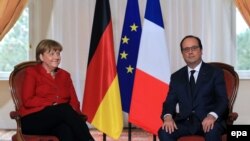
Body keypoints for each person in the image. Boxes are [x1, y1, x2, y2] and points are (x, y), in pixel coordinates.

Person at [20, 39, 94, 141]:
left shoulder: (65, 75)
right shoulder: (32, 73)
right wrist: (53, 103)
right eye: (51, 54)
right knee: (64, 108)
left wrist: (77, 116)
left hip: (59, 119)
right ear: (41, 57)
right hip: (32, 119)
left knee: (65, 131)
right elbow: (28, 101)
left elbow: (74, 101)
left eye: (58, 53)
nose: (56, 57)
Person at [158, 35, 228, 141]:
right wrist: (167, 117)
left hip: (209, 121)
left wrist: (212, 116)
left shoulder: (215, 73)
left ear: (201, 50)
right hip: (184, 123)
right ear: (182, 54)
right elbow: (169, 102)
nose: (190, 52)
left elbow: (222, 100)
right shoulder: (176, 76)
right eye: (186, 49)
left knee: (212, 131)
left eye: (194, 48)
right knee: (164, 132)